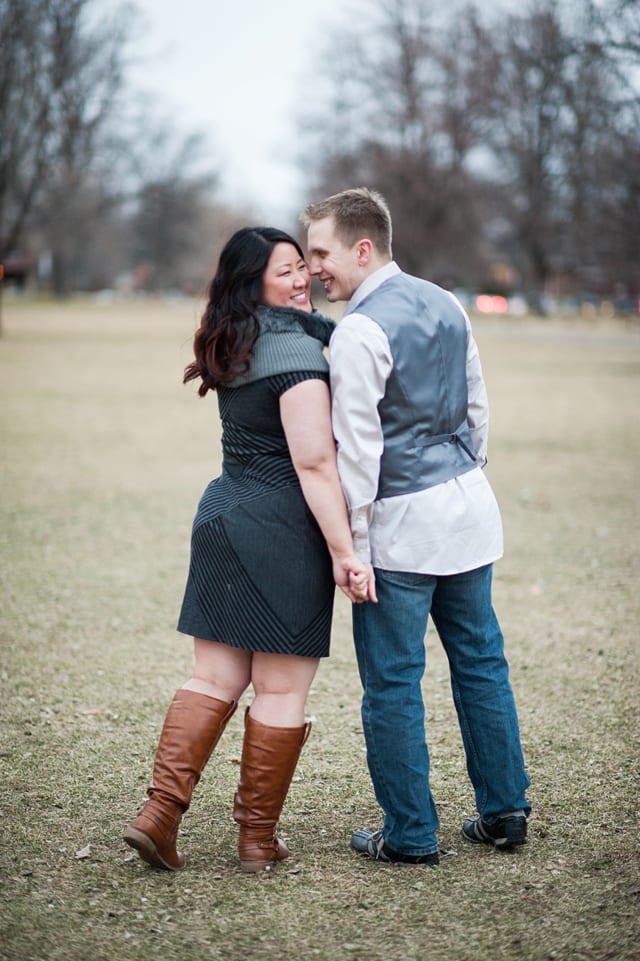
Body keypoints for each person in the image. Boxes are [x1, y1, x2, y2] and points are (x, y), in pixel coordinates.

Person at [123, 226, 371, 874]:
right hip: (282, 527)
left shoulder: (238, 336)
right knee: (281, 689)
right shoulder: (295, 351)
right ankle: (256, 840)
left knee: (214, 677)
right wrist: (345, 551)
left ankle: (158, 815)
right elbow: (315, 463)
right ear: (253, 279)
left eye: (302, 268)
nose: (302, 279)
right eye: (286, 270)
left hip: (224, 515)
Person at [301, 187, 531, 866]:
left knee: (394, 680)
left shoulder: (358, 331)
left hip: (401, 527)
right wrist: (461, 476)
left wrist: (356, 550)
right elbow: (477, 410)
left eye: (322, 252)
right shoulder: (447, 301)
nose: (315, 267)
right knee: (481, 662)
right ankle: (506, 810)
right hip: (467, 507)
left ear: (362, 247)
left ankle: (408, 833)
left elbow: (359, 452)